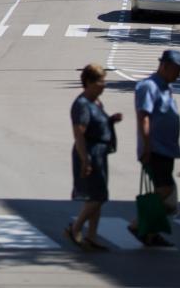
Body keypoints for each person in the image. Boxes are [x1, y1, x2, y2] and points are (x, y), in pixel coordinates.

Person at [129, 49, 180, 247]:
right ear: (164, 66)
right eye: (177, 70)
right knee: (166, 190)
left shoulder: (165, 86)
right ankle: (138, 224)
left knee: (165, 190)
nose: (178, 74)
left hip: (166, 148)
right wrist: (146, 146)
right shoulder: (149, 86)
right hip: (155, 149)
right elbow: (143, 116)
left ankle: (151, 234)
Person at [67, 63, 121, 251]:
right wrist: (85, 159)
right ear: (89, 82)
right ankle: (75, 228)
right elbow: (79, 133)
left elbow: (97, 123)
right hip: (89, 153)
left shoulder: (96, 102)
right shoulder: (81, 104)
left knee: (98, 196)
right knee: (97, 197)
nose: (103, 85)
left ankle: (91, 237)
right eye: (100, 81)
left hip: (99, 153)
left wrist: (110, 120)